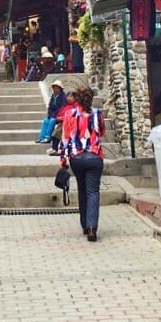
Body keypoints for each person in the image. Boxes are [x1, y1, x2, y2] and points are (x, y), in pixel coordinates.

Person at [58, 86, 105, 242]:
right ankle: (92, 227)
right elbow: (102, 133)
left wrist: (63, 160)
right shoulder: (98, 114)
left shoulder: (69, 114)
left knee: (82, 189)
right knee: (93, 192)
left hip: (76, 158)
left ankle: (85, 224)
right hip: (94, 156)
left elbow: (65, 138)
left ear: (77, 98)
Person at [36, 79, 67, 143]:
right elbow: (50, 107)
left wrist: (54, 115)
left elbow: (62, 108)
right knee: (46, 120)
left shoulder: (63, 96)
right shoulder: (53, 96)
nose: (55, 89)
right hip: (53, 114)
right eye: (54, 88)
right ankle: (41, 137)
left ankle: (48, 137)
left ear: (60, 89)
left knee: (52, 121)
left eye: (57, 88)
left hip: (59, 115)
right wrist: (50, 115)